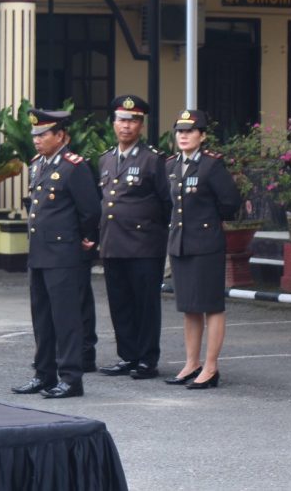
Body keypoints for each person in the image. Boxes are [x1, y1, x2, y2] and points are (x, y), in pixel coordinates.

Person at [11, 109, 101, 400]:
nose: (36, 140)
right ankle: (43, 374)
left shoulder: (74, 167)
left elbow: (91, 210)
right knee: (42, 318)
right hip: (39, 252)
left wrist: (86, 239)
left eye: (43, 135)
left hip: (64, 253)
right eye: (34, 135)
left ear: (60, 135)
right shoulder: (38, 165)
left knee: (66, 319)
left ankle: (71, 378)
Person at [96, 94, 171, 380]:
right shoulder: (105, 160)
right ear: (113, 124)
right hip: (114, 243)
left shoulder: (153, 160)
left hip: (144, 245)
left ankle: (146, 359)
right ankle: (127, 356)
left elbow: (167, 204)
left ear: (141, 126)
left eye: (133, 121)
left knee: (145, 304)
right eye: (122, 120)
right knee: (120, 303)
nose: (126, 126)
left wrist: (155, 234)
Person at [163, 109, 239, 390]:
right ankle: (191, 363)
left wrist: (208, 223)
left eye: (190, 131)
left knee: (211, 306)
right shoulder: (171, 165)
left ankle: (210, 366)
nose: (183, 136)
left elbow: (230, 202)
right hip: (181, 243)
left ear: (202, 136)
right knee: (189, 307)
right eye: (180, 131)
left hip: (206, 245)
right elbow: (167, 203)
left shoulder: (211, 166)